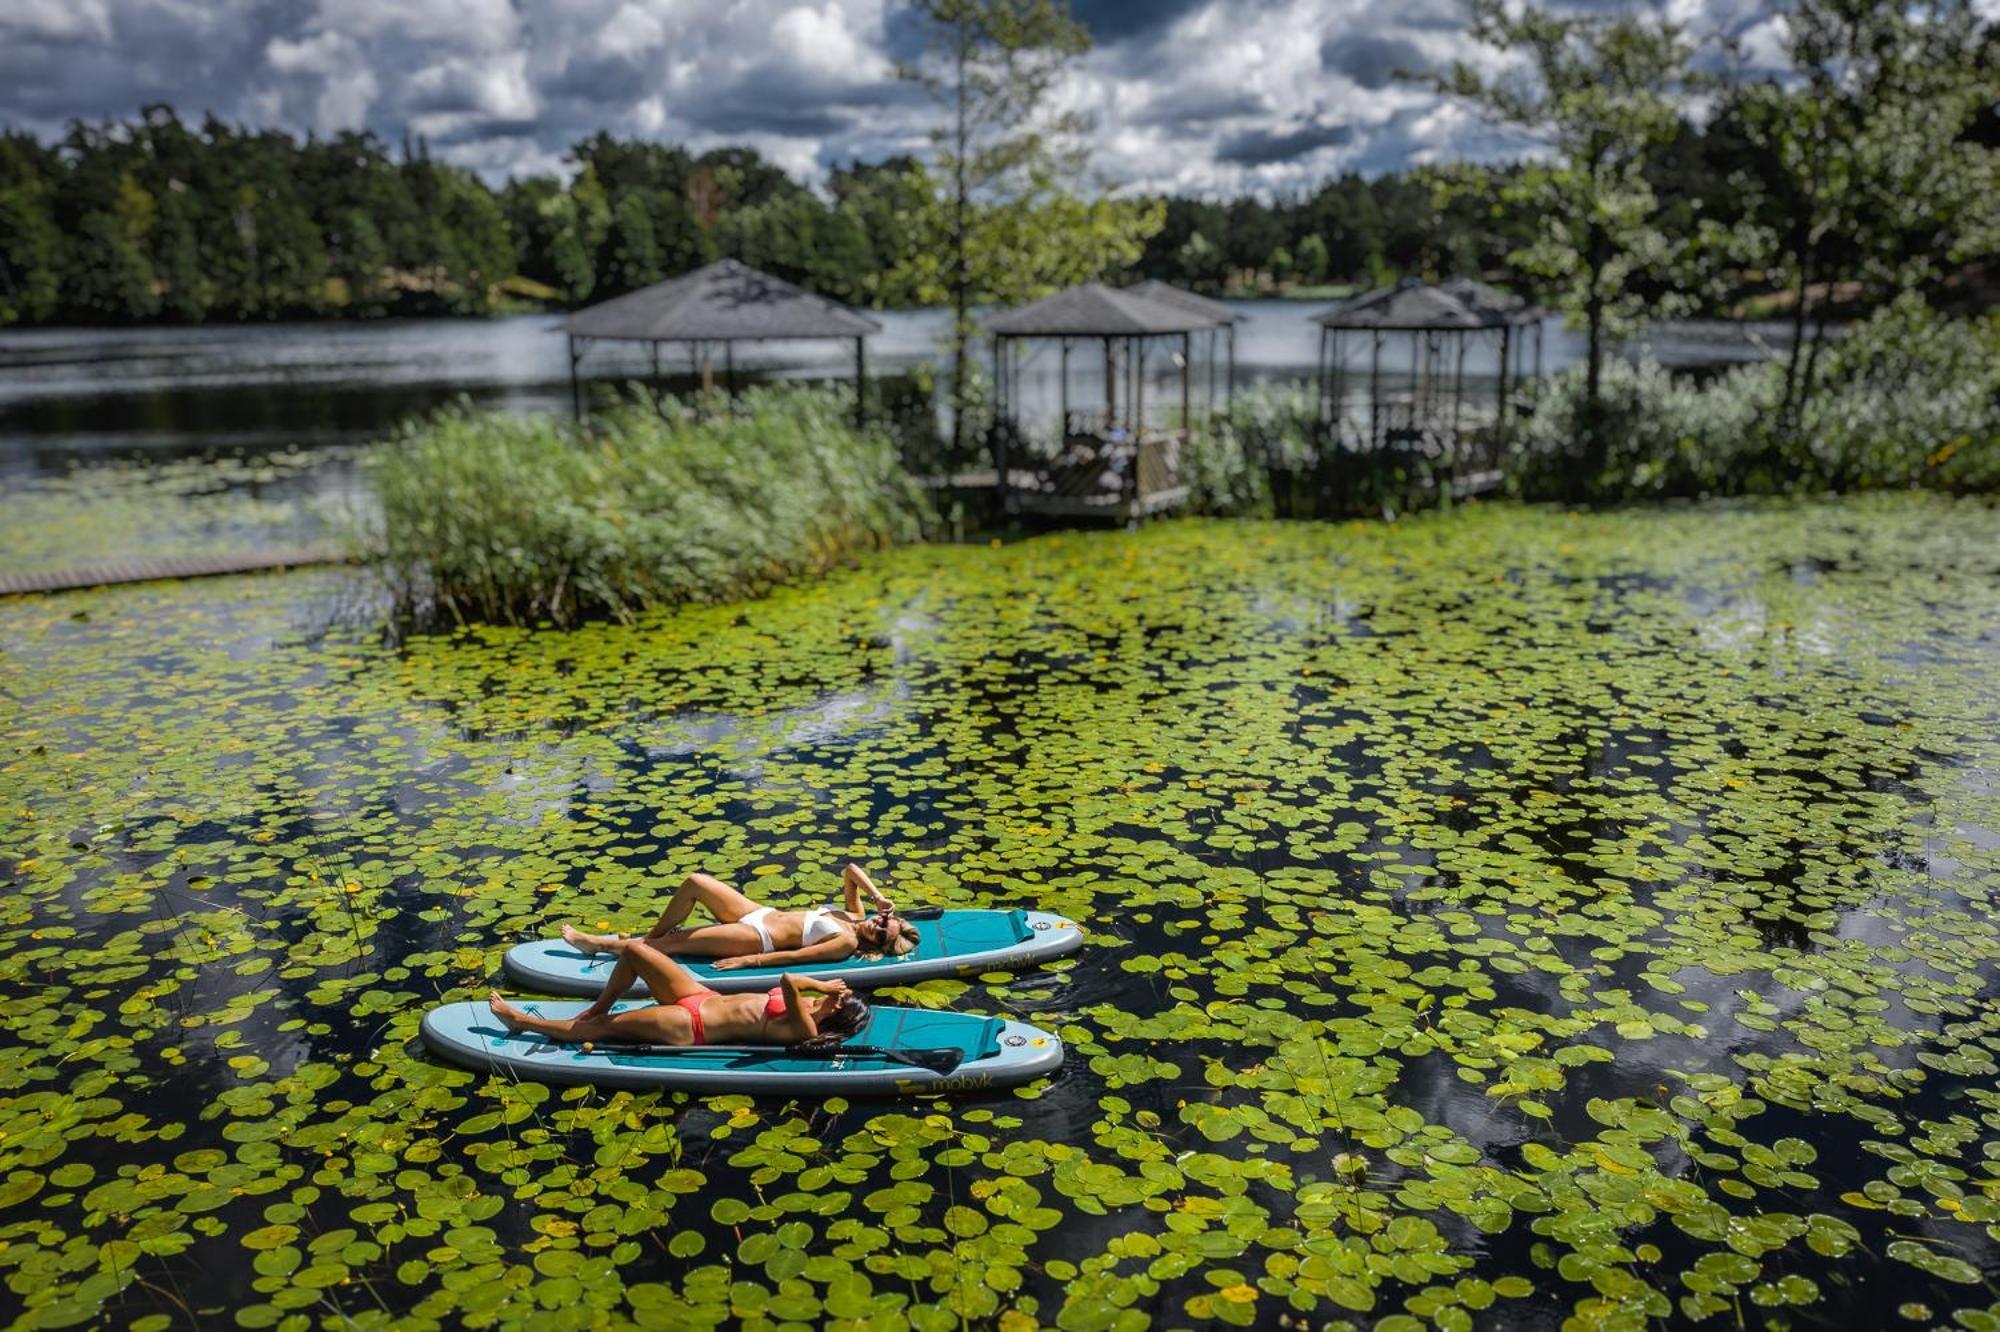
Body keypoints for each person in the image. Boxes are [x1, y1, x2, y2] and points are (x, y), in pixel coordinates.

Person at [488, 934, 870, 1050]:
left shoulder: (807, 1028)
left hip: (691, 1026)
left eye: (839, 1000)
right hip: (702, 998)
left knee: (604, 1028)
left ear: (837, 1013)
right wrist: (823, 992)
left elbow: (788, 981)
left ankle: (521, 1022)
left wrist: (821, 985)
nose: (833, 995)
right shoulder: (809, 1005)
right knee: (638, 951)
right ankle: (597, 1003)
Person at [559, 862, 920, 971]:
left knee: (672, 944)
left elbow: (795, 957)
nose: (879, 925)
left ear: (877, 945)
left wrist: (747, 960)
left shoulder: (844, 942)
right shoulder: (855, 913)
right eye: (886, 921)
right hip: (759, 912)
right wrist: (877, 895)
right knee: (695, 881)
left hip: (757, 938)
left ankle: (596, 944)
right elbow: (850, 870)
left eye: (882, 934)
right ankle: (647, 940)